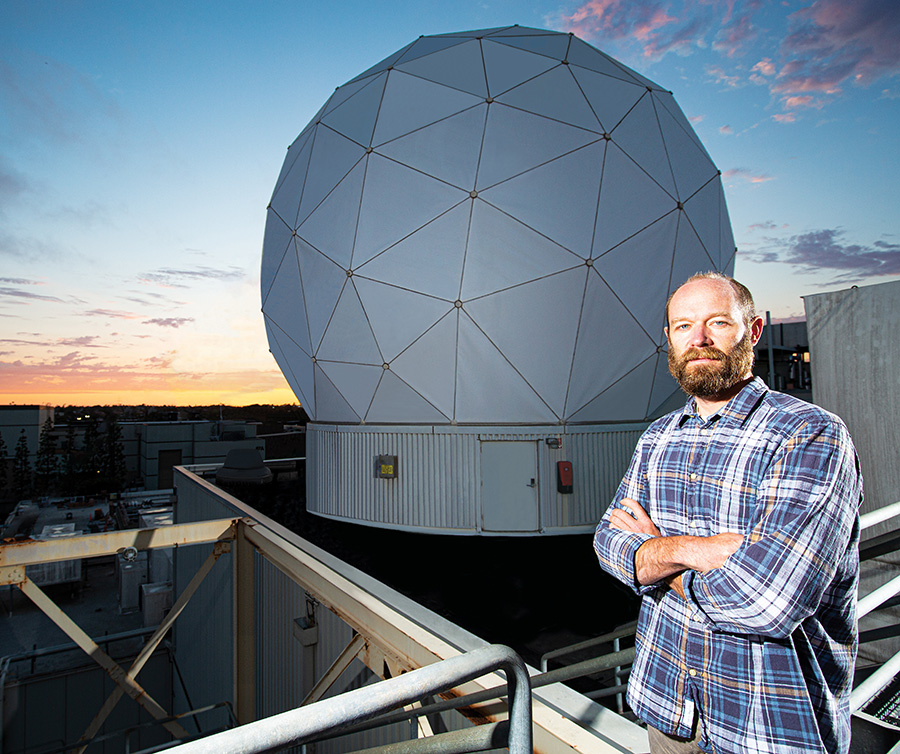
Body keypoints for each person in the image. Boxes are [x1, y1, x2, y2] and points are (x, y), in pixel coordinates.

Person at [593, 272, 862, 754]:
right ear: (669, 340)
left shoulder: (809, 435)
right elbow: (609, 545)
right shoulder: (659, 438)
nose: (698, 339)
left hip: (768, 727)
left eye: (717, 322)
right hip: (669, 712)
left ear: (753, 331)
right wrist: (699, 551)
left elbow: (770, 600)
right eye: (683, 326)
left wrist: (656, 554)